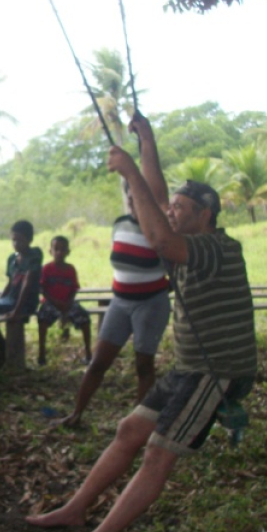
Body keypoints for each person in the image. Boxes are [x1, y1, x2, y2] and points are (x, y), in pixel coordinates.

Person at [27, 114, 257, 532]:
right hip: (190, 367)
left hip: (217, 371)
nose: (170, 211)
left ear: (204, 215)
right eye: (171, 206)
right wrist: (147, 142)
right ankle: (76, 510)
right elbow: (154, 202)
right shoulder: (187, 239)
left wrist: (131, 171)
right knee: (129, 429)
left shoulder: (214, 248)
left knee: (157, 453)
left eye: (180, 208)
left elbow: (159, 233)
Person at [55, 180, 171, 426]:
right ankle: (76, 414)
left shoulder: (162, 228)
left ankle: (139, 425)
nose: (131, 203)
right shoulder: (120, 224)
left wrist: (159, 287)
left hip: (150, 304)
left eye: (136, 199)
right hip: (119, 302)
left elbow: (177, 264)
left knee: (143, 365)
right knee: (98, 362)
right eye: (129, 198)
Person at [37, 235, 93, 366]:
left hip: (68, 302)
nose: (59, 252)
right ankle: (41, 354)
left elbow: (74, 288)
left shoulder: (70, 269)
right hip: (50, 302)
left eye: (63, 249)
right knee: (42, 320)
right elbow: (42, 289)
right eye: (56, 249)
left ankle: (89, 354)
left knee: (85, 319)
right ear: (50, 251)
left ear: (68, 252)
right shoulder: (46, 269)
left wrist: (68, 302)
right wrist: (56, 302)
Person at [0, 219, 42, 323]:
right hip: (9, 300)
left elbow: (27, 284)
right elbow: (10, 283)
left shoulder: (34, 255)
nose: (16, 243)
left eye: (20, 240)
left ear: (30, 240)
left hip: (26, 303)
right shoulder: (12, 259)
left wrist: (17, 310)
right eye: (13, 240)